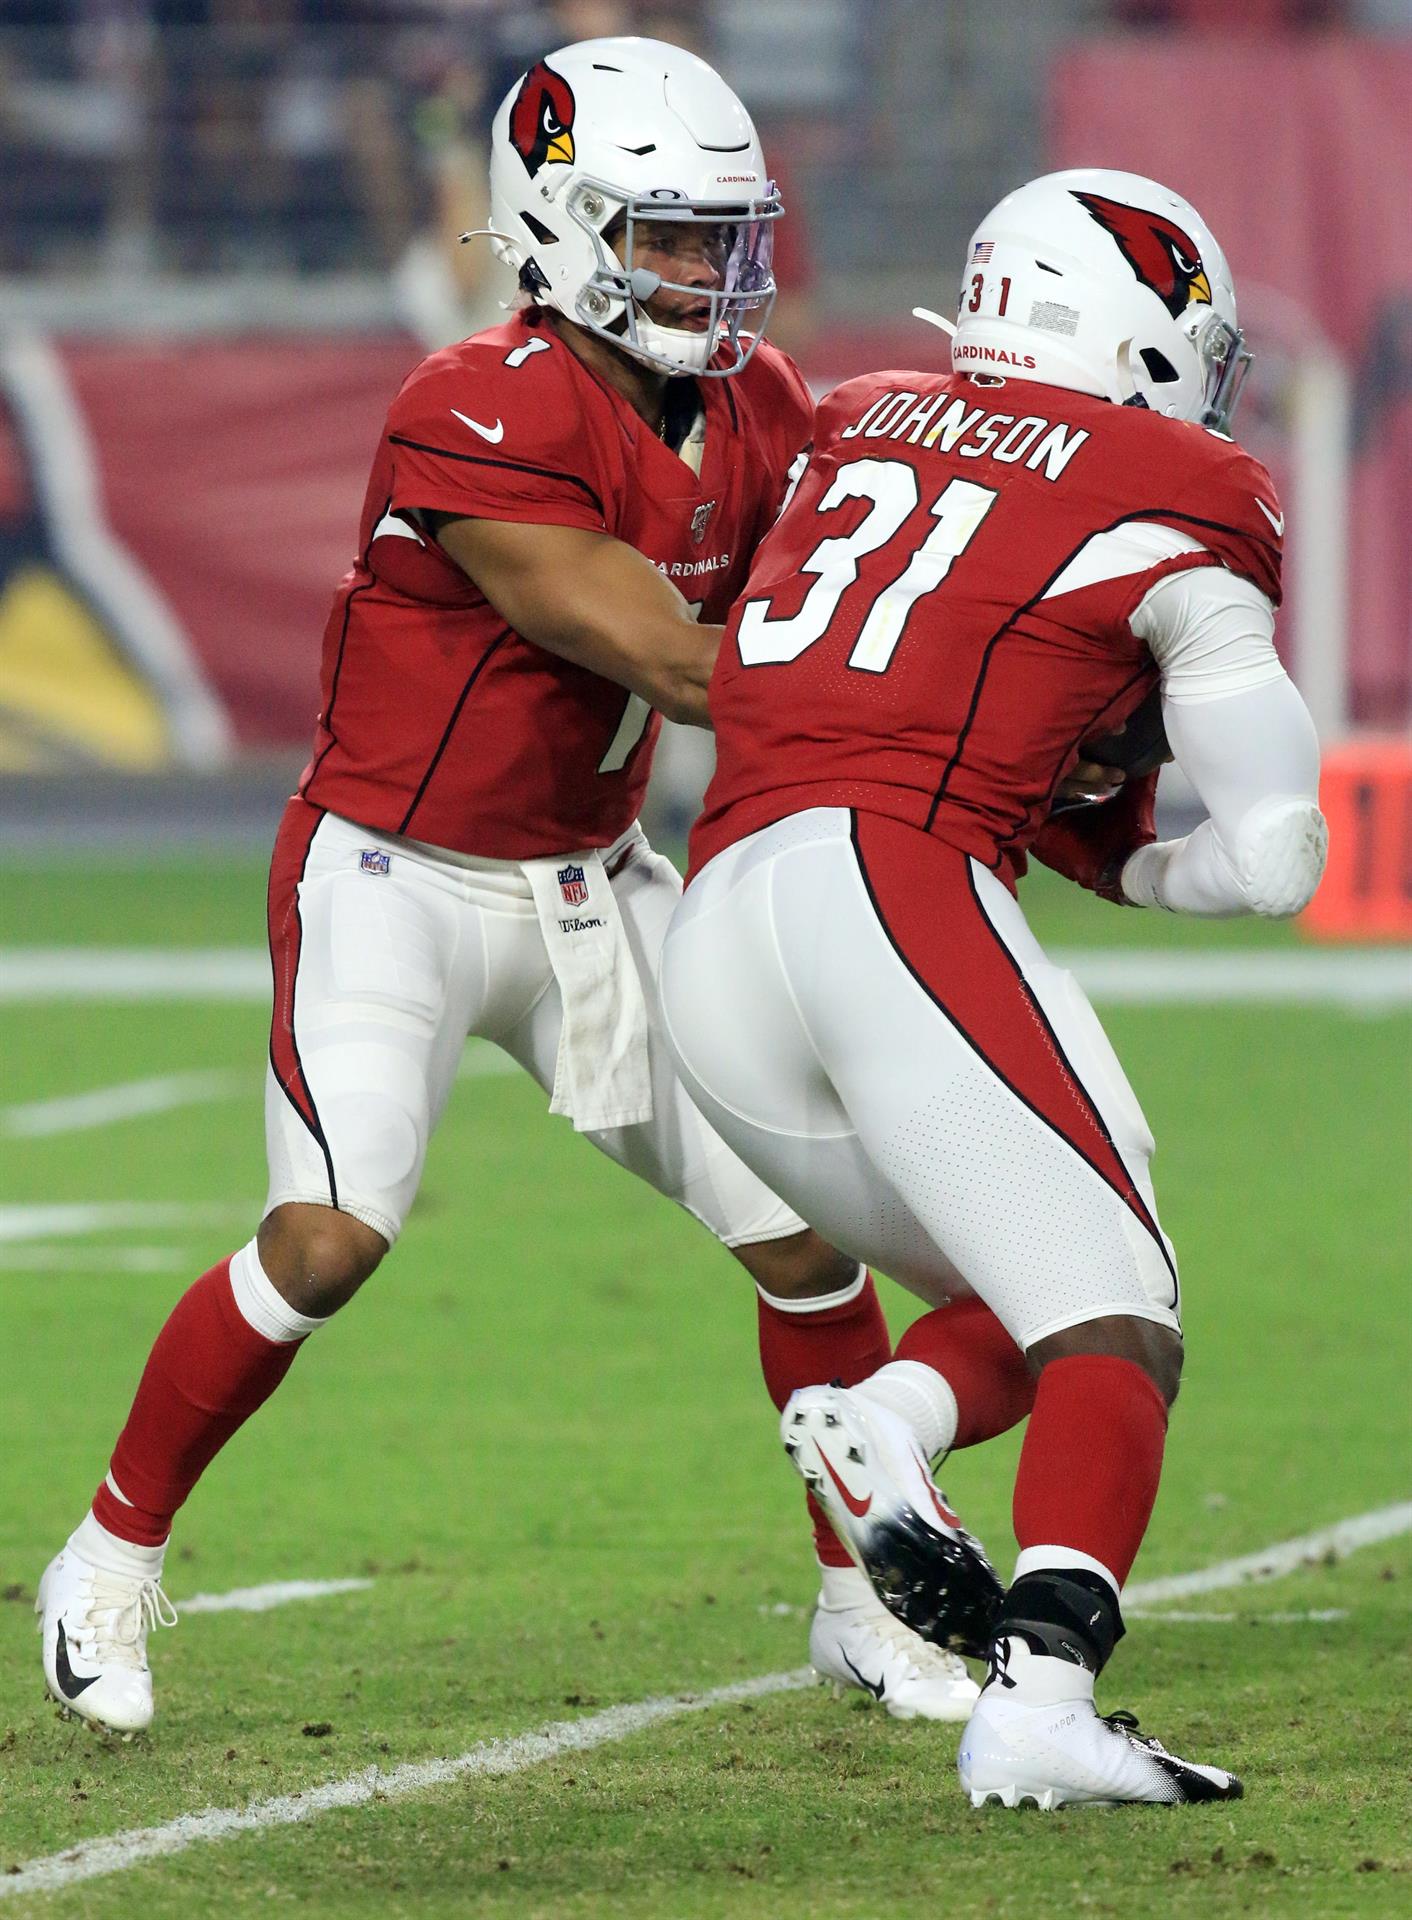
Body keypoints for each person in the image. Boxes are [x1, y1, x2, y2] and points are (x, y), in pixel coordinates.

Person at [35, 35, 990, 1738]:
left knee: (807, 1235)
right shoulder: (479, 403)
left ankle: (859, 1606)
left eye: (725, 237)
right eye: (669, 239)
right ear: (554, 225)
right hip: (394, 881)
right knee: (328, 1239)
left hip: (593, 884)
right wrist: (930, 702)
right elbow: (649, 647)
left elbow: (862, 550)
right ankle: (109, 1554)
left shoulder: (756, 403)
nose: (709, 275)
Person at [657, 168, 1328, 1807]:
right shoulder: (1186, 480)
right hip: (888, 881)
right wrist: (1139, 858)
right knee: (1122, 1306)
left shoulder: (862, 415)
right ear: (1146, 331)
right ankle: (1038, 1698)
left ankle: (887, 1409)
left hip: (717, 911)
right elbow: (1280, 853)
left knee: (1023, 1297)